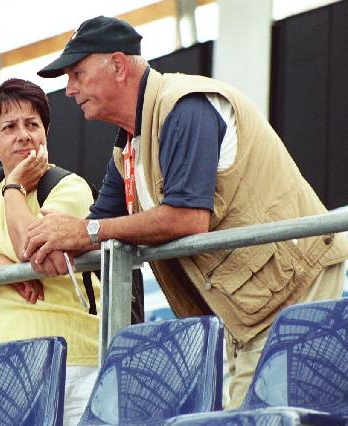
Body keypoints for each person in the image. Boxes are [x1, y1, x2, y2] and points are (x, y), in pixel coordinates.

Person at [24, 15, 348, 408]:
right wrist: (53, 241)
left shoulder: (184, 105)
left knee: (261, 415)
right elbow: (96, 223)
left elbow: (188, 219)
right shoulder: (128, 145)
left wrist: (85, 233)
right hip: (251, 301)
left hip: (294, 284)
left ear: (118, 65)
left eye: (77, 74)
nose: (69, 89)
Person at [0, 78, 100, 424]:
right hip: (0, 366)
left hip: (71, 362)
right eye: (9, 127)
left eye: (32, 124)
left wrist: (13, 188)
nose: (24, 135)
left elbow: (30, 249)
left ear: (46, 132)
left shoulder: (69, 187)